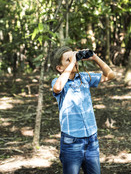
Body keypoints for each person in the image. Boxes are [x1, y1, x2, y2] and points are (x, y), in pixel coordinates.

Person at [50, 46, 116, 174]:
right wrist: (73, 62)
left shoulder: (84, 77)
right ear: (59, 68)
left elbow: (110, 75)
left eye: (74, 58)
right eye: (68, 60)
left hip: (92, 138)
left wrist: (95, 58)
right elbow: (57, 88)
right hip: (72, 141)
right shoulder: (57, 82)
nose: (74, 62)